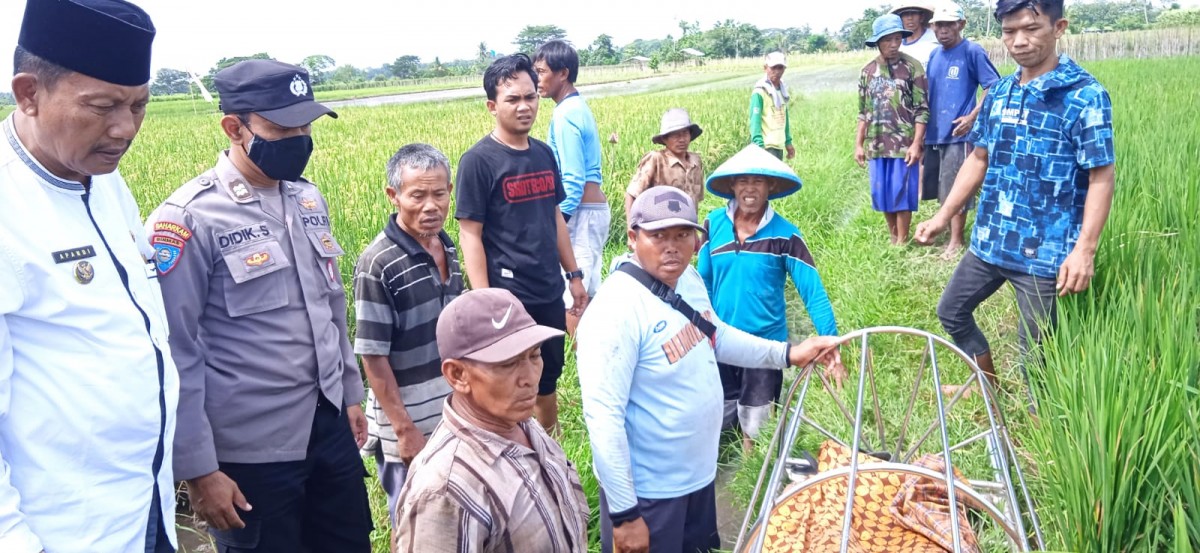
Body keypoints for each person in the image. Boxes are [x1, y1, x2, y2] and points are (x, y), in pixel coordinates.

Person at [148, 60, 372, 552]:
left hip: (328, 426)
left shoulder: (308, 199)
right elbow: (174, 351)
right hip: (251, 453)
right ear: (234, 127)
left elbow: (332, 306)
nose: (299, 137)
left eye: (305, 125)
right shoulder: (189, 218)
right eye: (281, 127)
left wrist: (351, 395)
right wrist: (199, 469)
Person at [0, 1, 179, 551]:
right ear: (28, 93)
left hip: (146, 507)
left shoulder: (101, 180)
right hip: (60, 531)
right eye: (101, 106)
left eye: (140, 106)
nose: (125, 129)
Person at [577, 187, 843, 553]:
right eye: (658, 236)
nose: (672, 246)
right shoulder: (615, 311)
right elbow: (603, 419)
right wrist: (624, 516)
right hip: (651, 496)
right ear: (633, 237)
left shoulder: (688, 280)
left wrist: (788, 352)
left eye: (682, 235)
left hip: (698, 479)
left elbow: (715, 334)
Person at [914, 0, 1115, 401]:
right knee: (951, 312)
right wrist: (943, 216)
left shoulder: (1085, 96)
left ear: (1059, 28)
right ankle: (989, 389)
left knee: (1036, 354)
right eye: (1009, 32)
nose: (1019, 41)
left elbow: (1101, 175)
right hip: (991, 240)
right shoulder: (1002, 91)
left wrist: (1085, 250)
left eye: (1031, 29)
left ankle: (1041, 425)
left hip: (1046, 254)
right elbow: (979, 158)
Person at [394, 288, 590, 552]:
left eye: (534, 355)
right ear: (457, 374)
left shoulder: (520, 423)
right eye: (508, 364)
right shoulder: (445, 490)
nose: (529, 377)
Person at [455, 53, 587, 435]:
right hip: (507, 295)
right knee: (508, 379)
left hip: (547, 287)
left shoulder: (544, 154)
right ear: (492, 106)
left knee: (547, 375)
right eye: (512, 99)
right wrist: (484, 300)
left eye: (530, 96)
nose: (524, 106)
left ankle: (548, 447)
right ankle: (508, 450)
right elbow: (470, 234)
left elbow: (555, 217)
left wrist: (574, 275)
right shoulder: (478, 162)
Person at [697, 145, 840, 452]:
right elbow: (703, 281)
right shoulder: (712, 224)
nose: (750, 188)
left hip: (765, 345)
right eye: (743, 180)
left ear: (771, 186)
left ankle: (754, 480)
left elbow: (812, 292)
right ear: (732, 185)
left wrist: (831, 343)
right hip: (721, 339)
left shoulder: (786, 236)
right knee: (717, 412)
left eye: (758, 181)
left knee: (755, 424)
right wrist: (702, 327)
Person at [353, 144, 463, 534]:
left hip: (450, 415)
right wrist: (404, 431)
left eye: (440, 194)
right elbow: (373, 357)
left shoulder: (446, 244)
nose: (430, 206)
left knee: (453, 517)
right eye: (417, 195)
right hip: (409, 424)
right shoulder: (377, 264)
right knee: (415, 522)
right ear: (393, 195)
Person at [533, 40, 610, 335]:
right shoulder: (577, 107)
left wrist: (556, 224)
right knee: (588, 289)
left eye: (541, 72)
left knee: (574, 295)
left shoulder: (565, 114)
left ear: (562, 73)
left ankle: (575, 363)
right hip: (592, 210)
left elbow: (574, 180)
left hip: (583, 211)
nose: (537, 79)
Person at [922, 2, 1002, 259]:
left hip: (959, 132)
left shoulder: (972, 51)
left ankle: (956, 240)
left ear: (961, 25)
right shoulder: (934, 56)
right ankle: (946, 231)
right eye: (938, 25)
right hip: (935, 132)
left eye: (948, 24)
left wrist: (972, 116)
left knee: (956, 184)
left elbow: (993, 87)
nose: (943, 30)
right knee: (939, 185)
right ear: (932, 28)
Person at [855, 13, 929, 245]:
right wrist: (858, 143)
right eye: (888, 40)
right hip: (877, 145)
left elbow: (922, 109)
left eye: (898, 39)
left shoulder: (912, 67)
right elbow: (863, 111)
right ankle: (893, 236)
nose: (894, 44)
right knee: (882, 194)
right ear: (878, 41)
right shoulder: (867, 72)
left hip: (904, 144)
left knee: (902, 193)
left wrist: (917, 143)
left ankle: (902, 241)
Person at [625, 108, 706, 226]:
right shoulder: (656, 160)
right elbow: (632, 194)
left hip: (686, 228)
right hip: (659, 228)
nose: (682, 139)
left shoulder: (695, 162)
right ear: (664, 139)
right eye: (675, 135)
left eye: (685, 133)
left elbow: (694, 203)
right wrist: (631, 227)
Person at [750, 51, 795, 161]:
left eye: (780, 68)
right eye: (773, 68)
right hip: (766, 147)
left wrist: (788, 142)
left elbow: (785, 117)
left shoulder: (782, 90)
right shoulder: (760, 92)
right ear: (765, 68)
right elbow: (754, 121)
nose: (777, 72)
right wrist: (759, 145)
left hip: (778, 145)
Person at [894, 3, 940, 70]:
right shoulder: (897, 45)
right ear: (900, 19)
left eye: (914, 13)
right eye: (906, 14)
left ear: (922, 17)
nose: (910, 18)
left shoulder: (936, 37)